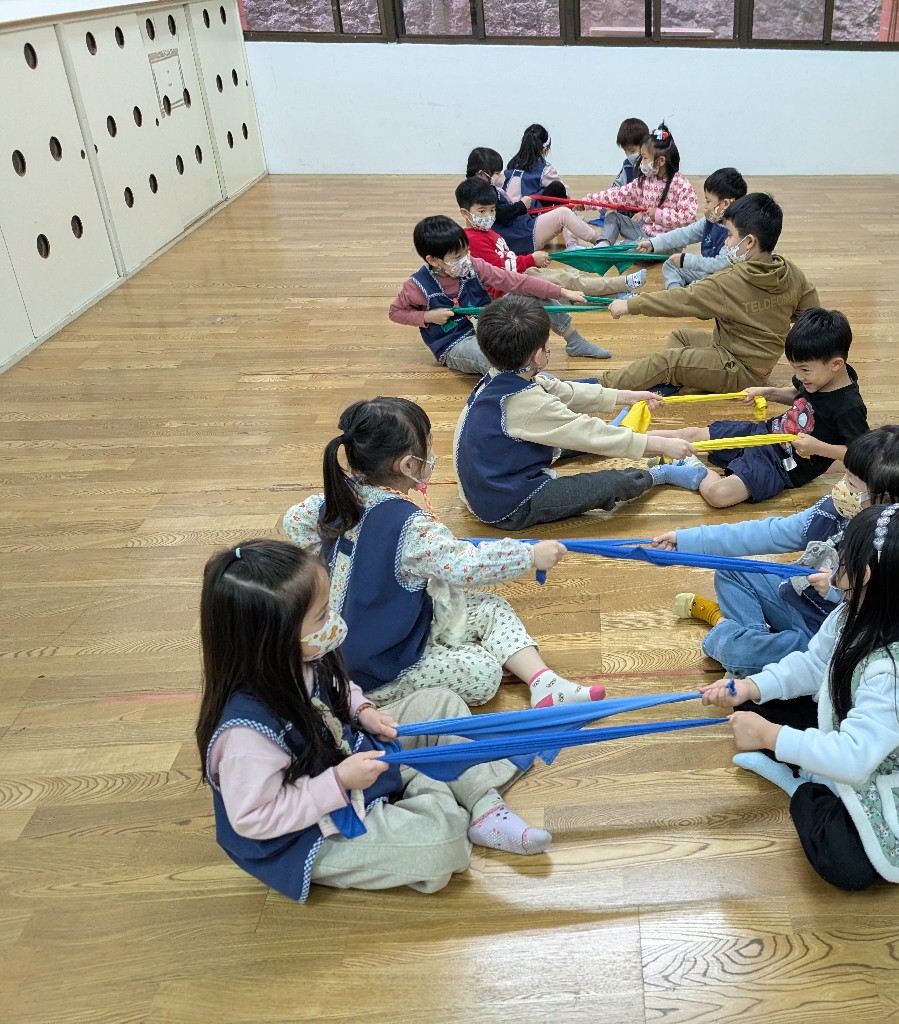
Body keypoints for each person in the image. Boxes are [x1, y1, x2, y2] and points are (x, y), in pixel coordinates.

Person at [197, 539, 552, 903]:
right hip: (305, 832)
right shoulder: (246, 737)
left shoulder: (303, 653)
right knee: (440, 844)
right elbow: (256, 817)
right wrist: (338, 781)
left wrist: (362, 710)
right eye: (321, 616)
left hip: (343, 758)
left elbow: (337, 686)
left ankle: (483, 806)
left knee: (441, 704)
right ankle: (438, 783)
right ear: (275, 639)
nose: (333, 621)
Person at [700, 505, 899, 891]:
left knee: (845, 862)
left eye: (843, 556)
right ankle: (811, 770)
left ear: (865, 575)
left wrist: (769, 737)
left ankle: (802, 784)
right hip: (864, 733)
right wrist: (752, 687)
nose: (835, 564)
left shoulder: (896, 677)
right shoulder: (854, 611)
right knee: (753, 701)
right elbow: (814, 665)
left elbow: (853, 759)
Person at [283, 396, 604, 710]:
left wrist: (330, 565)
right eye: (429, 446)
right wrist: (530, 556)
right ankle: (382, 698)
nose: (433, 454)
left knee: (491, 607)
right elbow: (466, 566)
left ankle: (545, 683)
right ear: (408, 464)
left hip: (373, 632)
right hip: (374, 669)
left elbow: (293, 521)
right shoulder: (411, 526)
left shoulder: (335, 499)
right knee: (484, 674)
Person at [656, 425, 899, 677]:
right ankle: (751, 642)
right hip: (798, 599)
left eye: (852, 484)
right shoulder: (834, 510)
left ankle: (729, 632)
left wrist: (836, 593)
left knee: (737, 652)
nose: (841, 488)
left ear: (885, 500)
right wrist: (685, 540)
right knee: (730, 569)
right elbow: (770, 532)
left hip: (829, 636)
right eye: (845, 476)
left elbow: (882, 626)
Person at [454, 296, 698, 531]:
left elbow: (564, 391)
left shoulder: (501, 375)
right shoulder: (528, 404)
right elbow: (589, 434)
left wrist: (628, 396)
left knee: (582, 440)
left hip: (490, 477)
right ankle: (659, 474)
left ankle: (630, 435)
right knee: (610, 484)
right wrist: (662, 446)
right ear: (537, 356)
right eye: (547, 345)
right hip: (506, 504)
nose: (549, 348)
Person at [598, 193, 819, 394]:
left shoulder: (729, 281)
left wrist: (630, 305)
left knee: (668, 362)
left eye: (730, 235)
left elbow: (682, 299)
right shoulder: (791, 272)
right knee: (681, 337)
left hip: (739, 370)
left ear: (749, 241)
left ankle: (600, 386)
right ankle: (675, 381)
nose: (726, 241)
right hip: (740, 355)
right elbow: (810, 316)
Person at [648, 309, 869, 508]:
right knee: (690, 434)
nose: (799, 376)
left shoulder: (849, 406)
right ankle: (630, 438)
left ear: (836, 364)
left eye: (804, 370)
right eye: (794, 369)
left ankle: (690, 468)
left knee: (718, 494)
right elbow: (798, 394)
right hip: (763, 432)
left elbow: (860, 455)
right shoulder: (817, 377)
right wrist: (768, 392)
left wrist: (818, 448)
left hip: (781, 465)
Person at [457, 177, 637, 359]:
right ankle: (622, 284)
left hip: (518, 276)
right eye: (482, 211)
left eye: (492, 210)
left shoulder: (488, 233)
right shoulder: (472, 239)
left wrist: (528, 262)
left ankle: (617, 295)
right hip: (506, 289)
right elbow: (501, 272)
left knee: (567, 281)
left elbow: (507, 261)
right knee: (560, 286)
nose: (489, 215)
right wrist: (530, 260)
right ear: (465, 213)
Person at [387, 215, 593, 375]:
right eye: (457, 257)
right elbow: (395, 312)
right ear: (433, 260)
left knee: (530, 295)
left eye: (467, 251)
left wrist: (562, 291)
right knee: (493, 357)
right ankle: (534, 379)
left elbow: (515, 281)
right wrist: (427, 316)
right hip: (456, 344)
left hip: (487, 326)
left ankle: (574, 341)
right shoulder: (417, 286)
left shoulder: (474, 265)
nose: (466, 259)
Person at [471, 140, 603, 253]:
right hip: (522, 235)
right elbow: (497, 213)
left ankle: (578, 244)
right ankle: (599, 241)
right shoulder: (482, 192)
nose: (498, 176)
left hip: (523, 228)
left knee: (564, 211)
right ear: (481, 174)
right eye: (496, 173)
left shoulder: (486, 186)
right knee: (564, 212)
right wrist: (521, 206)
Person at [579, 123, 698, 244]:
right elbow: (618, 195)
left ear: (661, 160)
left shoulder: (682, 185)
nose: (641, 162)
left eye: (644, 158)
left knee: (636, 247)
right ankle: (603, 244)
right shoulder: (645, 181)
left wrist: (659, 215)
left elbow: (689, 217)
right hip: (644, 231)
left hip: (666, 241)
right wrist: (587, 202)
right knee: (612, 217)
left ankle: (624, 247)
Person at [636, 167, 747, 289]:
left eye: (708, 201)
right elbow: (685, 234)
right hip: (706, 271)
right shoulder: (711, 220)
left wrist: (687, 260)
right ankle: (675, 294)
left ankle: (686, 294)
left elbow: (720, 264)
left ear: (725, 204)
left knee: (700, 286)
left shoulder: (737, 231)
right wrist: (653, 243)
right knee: (671, 265)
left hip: (724, 278)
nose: (706, 206)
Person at [611, 117, 649, 187]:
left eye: (632, 150)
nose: (630, 155)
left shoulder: (652, 165)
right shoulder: (627, 165)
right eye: (626, 151)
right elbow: (617, 184)